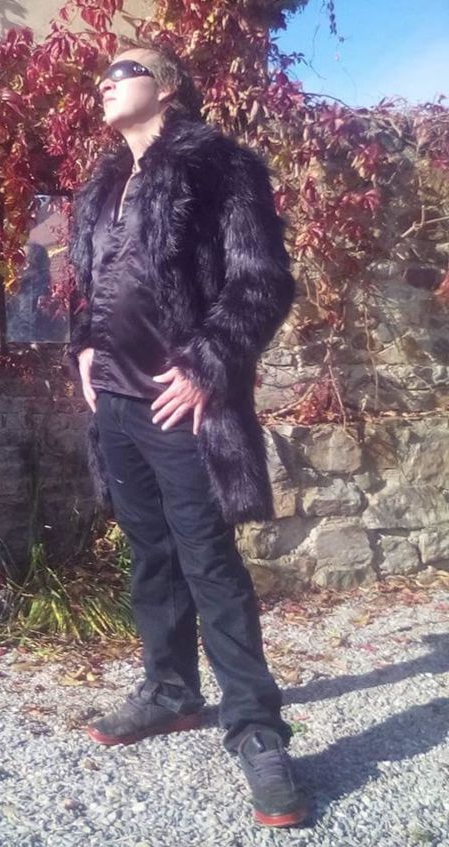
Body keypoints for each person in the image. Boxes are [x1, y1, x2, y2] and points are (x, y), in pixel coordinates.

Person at [67, 41, 308, 828]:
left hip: (184, 407)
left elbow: (263, 281)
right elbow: (92, 284)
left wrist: (210, 365)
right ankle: (171, 691)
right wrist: (84, 348)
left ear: (167, 86)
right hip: (116, 406)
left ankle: (257, 728)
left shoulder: (221, 167)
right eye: (102, 74)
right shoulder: (103, 184)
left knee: (209, 561)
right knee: (152, 555)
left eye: (123, 71)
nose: (105, 82)